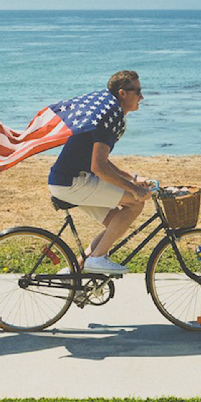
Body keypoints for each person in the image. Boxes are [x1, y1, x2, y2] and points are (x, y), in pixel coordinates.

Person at [47, 70, 151, 274]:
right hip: (72, 182)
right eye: (137, 91)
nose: (142, 96)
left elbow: (101, 162)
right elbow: (99, 168)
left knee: (116, 223)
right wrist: (134, 190)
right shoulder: (108, 117)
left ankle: (75, 272)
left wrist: (133, 179)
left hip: (68, 180)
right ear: (122, 93)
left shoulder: (108, 112)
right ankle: (97, 259)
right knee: (135, 203)